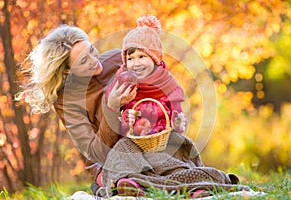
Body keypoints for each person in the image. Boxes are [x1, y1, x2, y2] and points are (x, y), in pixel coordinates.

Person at [100, 16, 250, 198]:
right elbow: (119, 123)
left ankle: (195, 185)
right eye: (130, 58)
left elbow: (177, 118)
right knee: (121, 152)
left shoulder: (167, 84)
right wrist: (126, 119)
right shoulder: (125, 83)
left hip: (163, 140)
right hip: (136, 142)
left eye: (142, 56)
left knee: (169, 162)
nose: (136, 63)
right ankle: (132, 183)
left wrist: (178, 121)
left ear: (155, 59)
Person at [15, 25, 136, 187]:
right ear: (67, 71)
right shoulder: (66, 100)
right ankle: (122, 184)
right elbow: (96, 151)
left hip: (145, 136)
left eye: (92, 50)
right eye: (83, 61)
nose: (94, 61)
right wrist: (112, 107)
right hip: (109, 156)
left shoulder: (116, 58)